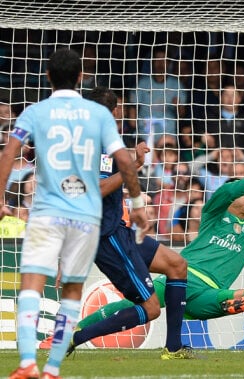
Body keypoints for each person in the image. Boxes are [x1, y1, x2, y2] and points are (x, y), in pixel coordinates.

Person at [52, 153, 244, 343]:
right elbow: (228, 189)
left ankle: (227, 302)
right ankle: (73, 331)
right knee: (132, 305)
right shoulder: (213, 215)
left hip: (210, 292)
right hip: (180, 278)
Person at [1, 48, 146, 379]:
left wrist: (0, 200)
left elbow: (9, 152)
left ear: (48, 76)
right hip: (86, 217)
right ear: (81, 77)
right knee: (71, 291)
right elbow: (124, 162)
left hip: (47, 211)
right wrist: (138, 206)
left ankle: (26, 364)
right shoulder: (98, 116)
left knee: (31, 285)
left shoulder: (36, 112)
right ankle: (52, 368)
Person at [41, 86, 192, 360]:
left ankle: (174, 347)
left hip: (120, 231)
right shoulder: (94, 145)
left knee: (177, 265)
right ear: (112, 112)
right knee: (151, 308)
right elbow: (96, 189)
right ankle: (75, 337)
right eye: (118, 109)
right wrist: (131, 166)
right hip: (108, 237)